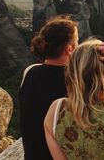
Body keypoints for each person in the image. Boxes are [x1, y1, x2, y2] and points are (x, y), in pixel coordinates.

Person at [19, 16, 79, 160]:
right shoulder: (77, 79)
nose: (79, 45)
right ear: (69, 49)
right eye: (77, 42)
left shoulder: (30, 72)